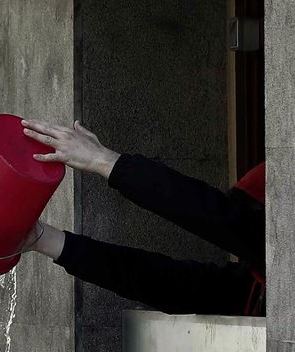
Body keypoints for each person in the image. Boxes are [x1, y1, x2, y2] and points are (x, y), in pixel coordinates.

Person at [16, 119, 266, 317]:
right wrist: (43, 239)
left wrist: (105, 161)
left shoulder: (287, 265)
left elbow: (218, 218)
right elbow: (165, 283)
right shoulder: (254, 290)